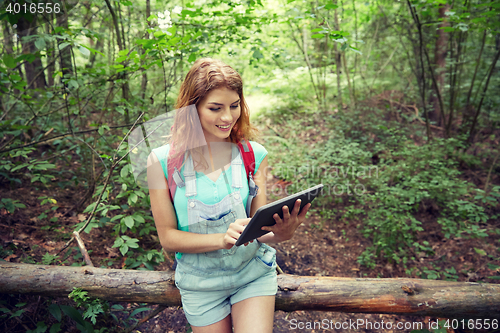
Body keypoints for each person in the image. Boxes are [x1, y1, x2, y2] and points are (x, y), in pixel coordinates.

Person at [147, 58, 310, 333]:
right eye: (215, 108)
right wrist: (221, 239)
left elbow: (259, 231)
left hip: (252, 274)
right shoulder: (161, 162)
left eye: (234, 106)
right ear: (192, 108)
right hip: (199, 284)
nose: (227, 117)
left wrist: (282, 233)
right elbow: (168, 238)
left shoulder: (253, 155)